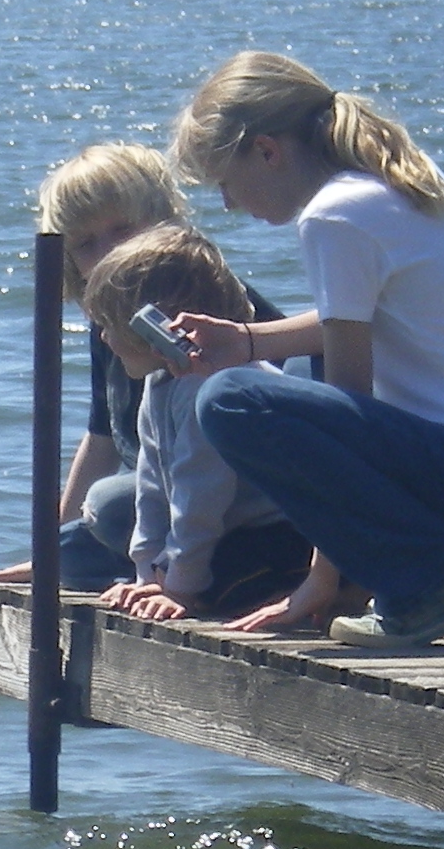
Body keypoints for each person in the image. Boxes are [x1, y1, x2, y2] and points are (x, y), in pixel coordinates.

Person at [166, 53, 444, 648]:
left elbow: (348, 403)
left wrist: (323, 579)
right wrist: (248, 340)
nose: (229, 203)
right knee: (276, 375)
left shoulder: (333, 216)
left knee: (230, 400)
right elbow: (357, 325)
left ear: (266, 151)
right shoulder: (394, 185)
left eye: (224, 183)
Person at [0, 141, 296, 595]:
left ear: (164, 223)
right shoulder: (109, 324)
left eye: (123, 230)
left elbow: (213, 471)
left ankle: (220, 574)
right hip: (168, 497)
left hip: (248, 501)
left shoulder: (211, 311)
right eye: (86, 244)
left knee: (108, 507)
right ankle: (148, 570)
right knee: (69, 549)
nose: (108, 252)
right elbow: (103, 436)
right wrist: (48, 553)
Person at [80, 226, 313, 623]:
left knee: (219, 592)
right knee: (99, 544)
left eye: (111, 325)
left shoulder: (208, 387)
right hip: (231, 528)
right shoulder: (162, 381)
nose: (103, 337)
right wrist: (146, 575)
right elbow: (153, 487)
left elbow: (199, 498)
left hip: (283, 532)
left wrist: (179, 590)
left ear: (154, 326)